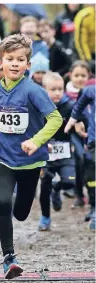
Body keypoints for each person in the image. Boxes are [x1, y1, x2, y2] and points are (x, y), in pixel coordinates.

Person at [0, 34, 62, 279]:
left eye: (21, 60)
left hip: (32, 161)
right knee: (6, 204)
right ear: (1, 63)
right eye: (10, 59)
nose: (15, 63)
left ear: (28, 65)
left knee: (21, 213)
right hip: (5, 160)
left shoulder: (33, 91)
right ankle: (9, 258)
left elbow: (56, 119)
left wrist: (36, 140)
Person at [38, 72, 76, 231]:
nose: (57, 93)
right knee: (44, 185)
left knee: (70, 182)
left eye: (60, 89)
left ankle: (57, 188)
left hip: (65, 152)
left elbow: (78, 124)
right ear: (44, 90)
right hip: (45, 155)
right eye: (53, 89)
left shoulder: (69, 106)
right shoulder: (39, 108)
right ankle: (45, 217)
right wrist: (41, 144)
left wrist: (75, 141)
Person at [65, 78, 96, 230]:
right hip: (92, 142)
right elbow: (79, 104)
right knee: (91, 175)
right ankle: (93, 207)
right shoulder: (91, 90)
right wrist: (73, 119)